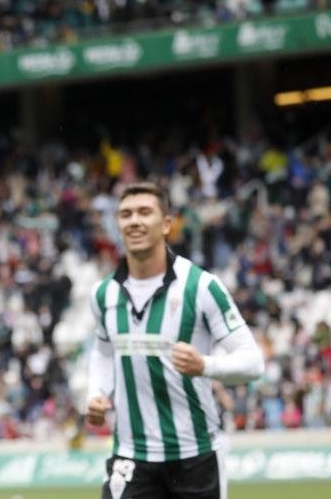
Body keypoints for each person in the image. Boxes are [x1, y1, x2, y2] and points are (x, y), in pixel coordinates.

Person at [85, 182, 264, 499]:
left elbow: (253, 362)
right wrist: (97, 392)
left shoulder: (201, 287)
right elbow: (102, 352)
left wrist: (204, 366)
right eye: (126, 214)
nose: (134, 221)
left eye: (144, 212)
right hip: (131, 455)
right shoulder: (104, 294)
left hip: (195, 456)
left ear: (166, 224)